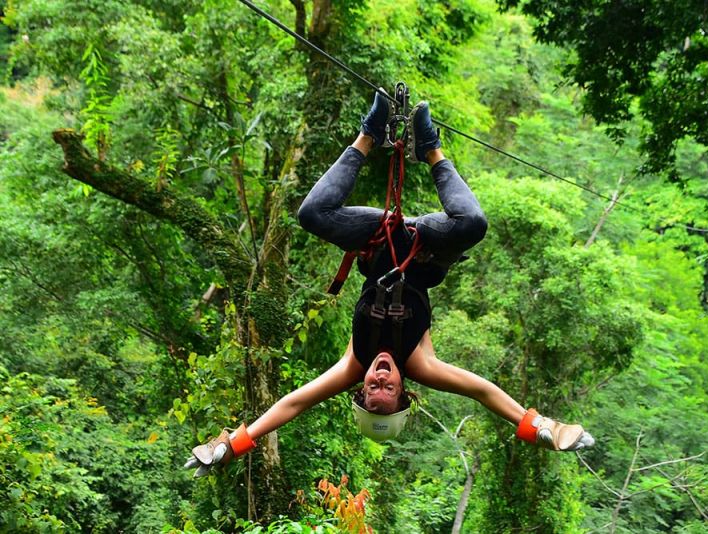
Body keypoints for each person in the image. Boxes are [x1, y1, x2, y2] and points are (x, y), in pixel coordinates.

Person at [185, 93, 594, 476]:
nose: (380, 378)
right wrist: (542, 428)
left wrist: (230, 445)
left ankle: (369, 135)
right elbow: (484, 392)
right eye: (388, 388)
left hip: (375, 239)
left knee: (311, 214)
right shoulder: (422, 365)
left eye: (373, 388)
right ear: (404, 392)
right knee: (473, 225)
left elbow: (293, 403)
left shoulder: (353, 364)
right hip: (424, 245)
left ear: (361, 390)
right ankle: (430, 148)